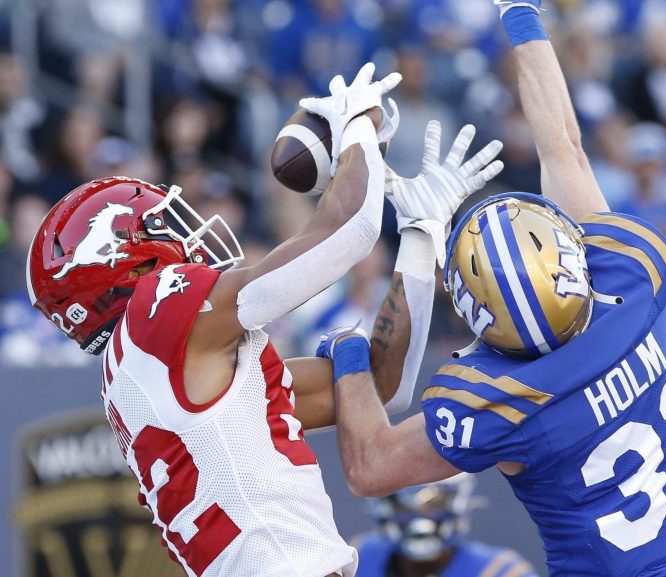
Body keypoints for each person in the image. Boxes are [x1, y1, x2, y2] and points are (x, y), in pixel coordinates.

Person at [25, 61, 504, 577]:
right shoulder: (156, 318)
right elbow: (348, 232)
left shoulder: (162, 366)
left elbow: (382, 386)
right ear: (123, 261)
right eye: (161, 227)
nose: (186, 240)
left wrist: (420, 233)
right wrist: (357, 126)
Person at [318, 4, 666, 577]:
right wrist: (521, 14)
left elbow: (370, 465)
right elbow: (564, 145)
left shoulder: (502, 397)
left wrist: (346, 352)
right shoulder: (632, 275)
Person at [356, 473, 540, 577]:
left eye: (434, 502)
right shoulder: (359, 556)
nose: (421, 514)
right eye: (403, 503)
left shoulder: (502, 572)